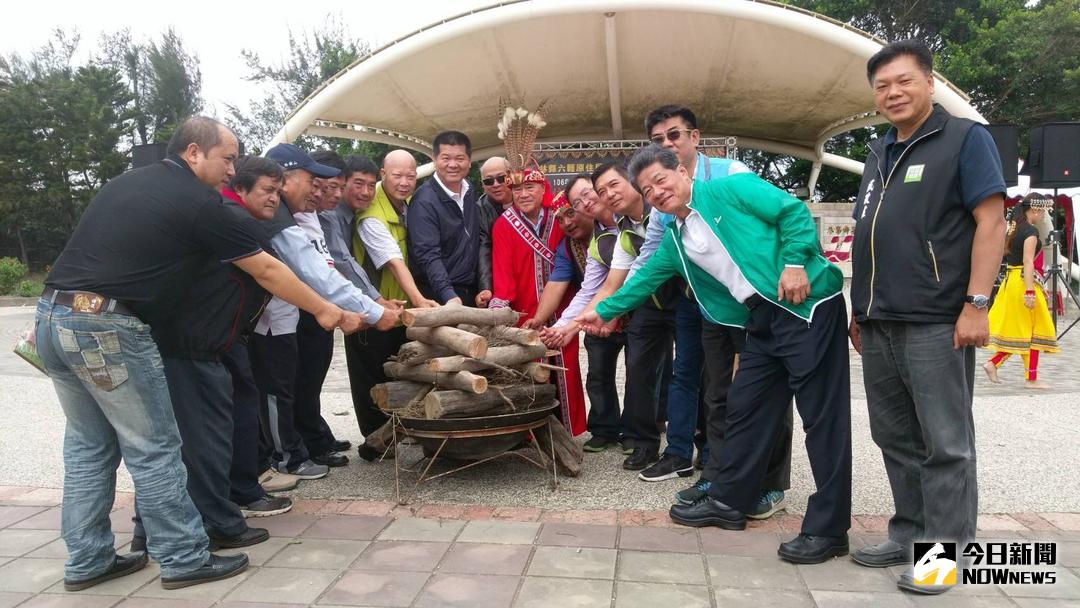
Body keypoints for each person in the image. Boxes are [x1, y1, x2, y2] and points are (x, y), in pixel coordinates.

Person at [36, 116, 359, 591]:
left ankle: (88, 560)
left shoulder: (125, 184)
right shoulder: (199, 201)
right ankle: (183, 556)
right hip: (107, 325)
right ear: (193, 152)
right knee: (156, 447)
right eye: (227, 159)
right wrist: (326, 311)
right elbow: (268, 270)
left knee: (89, 449)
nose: (232, 170)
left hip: (52, 317)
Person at [578, 144, 852, 565]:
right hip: (758, 318)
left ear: (683, 172)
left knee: (821, 418)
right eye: (647, 190)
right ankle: (728, 502)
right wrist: (594, 314)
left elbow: (791, 212)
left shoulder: (731, 189)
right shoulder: (675, 238)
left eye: (661, 180)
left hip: (805, 305)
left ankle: (829, 529)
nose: (656, 192)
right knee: (745, 407)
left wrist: (795, 262)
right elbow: (641, 281)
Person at [847, 40, 1006, 594]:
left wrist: (976, 304)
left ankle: (943, 556)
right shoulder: (879, 151)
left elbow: (992, 224)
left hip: (938, 320)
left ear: (930, 83)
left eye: (903, 81)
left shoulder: (964, 139)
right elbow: (869, 237)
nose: (892, 93)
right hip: (879, 320)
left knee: (945, 442)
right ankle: (911, 531)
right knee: (894, 436)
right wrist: (858, 309)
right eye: (882, 85)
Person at [640, 104, 792, 516]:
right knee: (719, 394)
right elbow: (650, 257)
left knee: (766, 394)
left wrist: (791, 268)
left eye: (674, 135)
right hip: (709, 309)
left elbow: (781, 219)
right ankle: (719, 475)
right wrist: (602, 306)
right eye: (658, 140)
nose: (667, 145)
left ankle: (771, 485)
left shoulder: (732, 174)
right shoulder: (661, 198)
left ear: (695, 138)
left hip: (761, 307)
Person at [249, 143, 401, 482]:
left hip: (289, 316)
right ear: (285, 178)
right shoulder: (278, 218)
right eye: (313, 182)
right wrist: (372, 311)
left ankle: (292, 449)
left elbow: (326, 267)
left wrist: (365, 306)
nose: (318, 191)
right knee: (276, 389)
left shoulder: (300, 216)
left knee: (294, 385)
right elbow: (312, 272)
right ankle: (283, 458)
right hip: (269, 321)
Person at [488, 106, 586, 434]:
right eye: (517, 190)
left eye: (530, 188)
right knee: (530, 369)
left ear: (543, 188)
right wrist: (502, 309)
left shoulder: (560, 217)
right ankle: (532, 432)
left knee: (567, 366)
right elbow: (501, 270)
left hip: (564, 307)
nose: (524, 194)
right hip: (525, 311)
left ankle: (570, 432)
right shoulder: (504, 225)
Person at [580, 161, 682, 470]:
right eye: (601, 191)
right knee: (638, 372)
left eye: (614, 185)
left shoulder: (663, 212)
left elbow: (650, 269)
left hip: (685, 300)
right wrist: (592, 317)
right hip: (647, 306)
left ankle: (697, 444)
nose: (608, 194)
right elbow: (621, 279)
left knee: (690, 372)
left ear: (632, 181)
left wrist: (610, 310)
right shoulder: (622, 229)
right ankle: (643, 443)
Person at [351, 151, 438, 456]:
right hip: (371, 311)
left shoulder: (407, 205)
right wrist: (419, 300)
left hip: (398, 312)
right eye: (397, 175)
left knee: (398, 370)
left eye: (410, 176)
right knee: (371, 375)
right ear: (382, 174)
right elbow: (393, 261)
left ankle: (401, 431)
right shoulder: (371, 214)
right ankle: (375, 439)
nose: (404, 183)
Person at [318, 155, 398, 457]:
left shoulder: (350, 214)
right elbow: (341, 262)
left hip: (352, 303)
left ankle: (316, 435)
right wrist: (374, 301)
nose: (364, 192)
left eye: (369, 185)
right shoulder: (330, 215)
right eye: (356, 185)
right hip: (330, 306)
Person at [539, 175, 625, 450]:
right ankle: (604, 429)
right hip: (594, 315)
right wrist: (545, 322)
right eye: (560, 220)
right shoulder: (567, 247)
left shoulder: (621, 226)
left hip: (636, 312)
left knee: (644, 373)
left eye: (571, 214)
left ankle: (642, 429)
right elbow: (570, 287)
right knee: (598, 373)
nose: (566, 224)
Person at [291, 150, 354, 468]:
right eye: (323, 186)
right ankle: (307, 444)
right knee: (302, 379)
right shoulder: (289, 218)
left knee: (314, 376)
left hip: (323, 307)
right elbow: (315, 271)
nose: (330, 194)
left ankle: (316, 433)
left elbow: (337, 265)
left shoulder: (317, 217)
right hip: (305, 309)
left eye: (337, 187)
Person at [983, 195, 1059, 388]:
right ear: (1034, 210)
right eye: (1042, 211)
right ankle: (1030, 378)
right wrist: (1030, 292)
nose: (1043, 215)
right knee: (1033, 329)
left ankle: (995, 363)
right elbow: (1028, 262)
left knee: (1024, 329)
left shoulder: (1014, 228)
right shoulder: (1031, 231)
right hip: (1023, 283)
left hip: (1011, 282)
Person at [407, 131, 481, 305]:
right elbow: (427, 254)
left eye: (460, 158)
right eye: (446, 158)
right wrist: (448, 295)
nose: (453, 165)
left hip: (471, 291)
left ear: (469, 161)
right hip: (440, 295)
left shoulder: (469, 189)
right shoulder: (423, 201)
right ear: (435, 159)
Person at [477, 157, 513, 307]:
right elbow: (483, 248)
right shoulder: (479, 210)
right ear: (483, 186)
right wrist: (486, 287)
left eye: (501, 178)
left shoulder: (526, 199)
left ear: (511, 177)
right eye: (489, 181)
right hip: (498, 279)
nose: (496, 184)